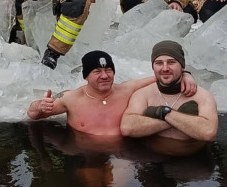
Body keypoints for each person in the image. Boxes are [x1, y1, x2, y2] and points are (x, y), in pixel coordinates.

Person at [27, 50, 197, 137]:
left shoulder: (127, 89)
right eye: (97, 71)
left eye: (108, 70)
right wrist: (38, 106)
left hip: (124, 152)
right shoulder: (71, 98)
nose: (104, 76)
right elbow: (33, 114)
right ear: (86, 76)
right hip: (85, 152)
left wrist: (185, 74)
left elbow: (162, 77)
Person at [120, 41, 218, 149]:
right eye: (159, 63)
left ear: (182, 66)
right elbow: (127, 127)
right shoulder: (143, 94)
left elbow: (208, 132)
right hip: (150, 157)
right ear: (153, 67)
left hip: (191, 159)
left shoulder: (202, 96)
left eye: (171, 62)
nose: (165, 68)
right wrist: (174, 118)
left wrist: (163, 113)